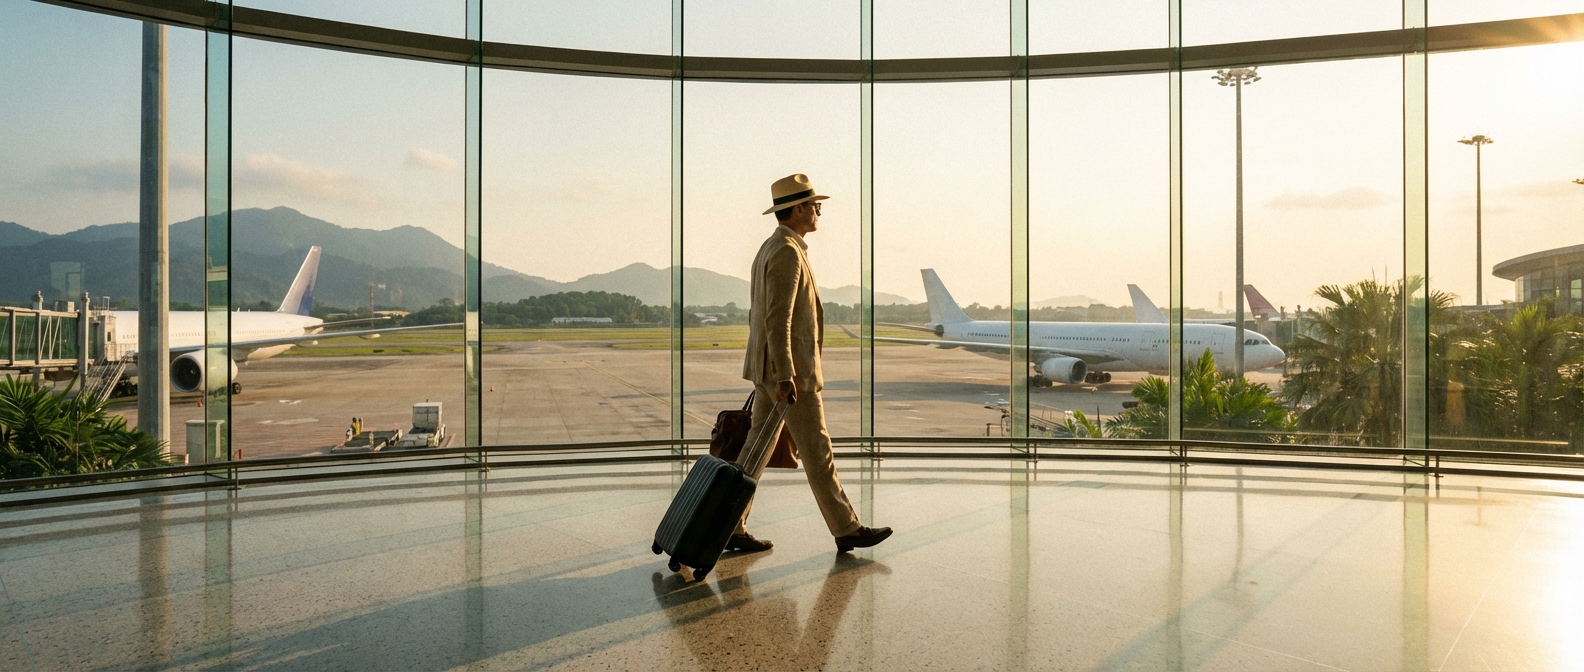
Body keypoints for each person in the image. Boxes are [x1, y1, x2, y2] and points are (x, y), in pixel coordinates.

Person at [728, 173, 892, 555]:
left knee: (755, 452)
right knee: (817, 450)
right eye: (815, 204)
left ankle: (731, 524)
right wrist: (786, 374)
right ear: (798, 208)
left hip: (769, 370)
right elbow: (777, 318)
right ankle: (847, 528)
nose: (819, 210)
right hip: (789, 375)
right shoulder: (786, 251)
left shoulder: (773, 247)